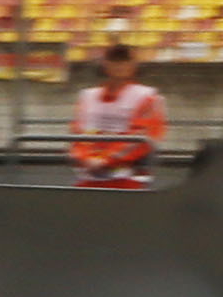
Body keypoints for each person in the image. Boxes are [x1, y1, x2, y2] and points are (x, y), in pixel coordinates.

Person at [69, 44, 168, 189]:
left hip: (127, 180)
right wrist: (85, 159)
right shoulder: (87, 96)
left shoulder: (147, 97)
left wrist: (106, 161)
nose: (119, 65)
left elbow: (142, 137)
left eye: (124, 60)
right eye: (114, 60)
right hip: (88, 178)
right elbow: (77, 133)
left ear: (133, 64)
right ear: (105, 64)